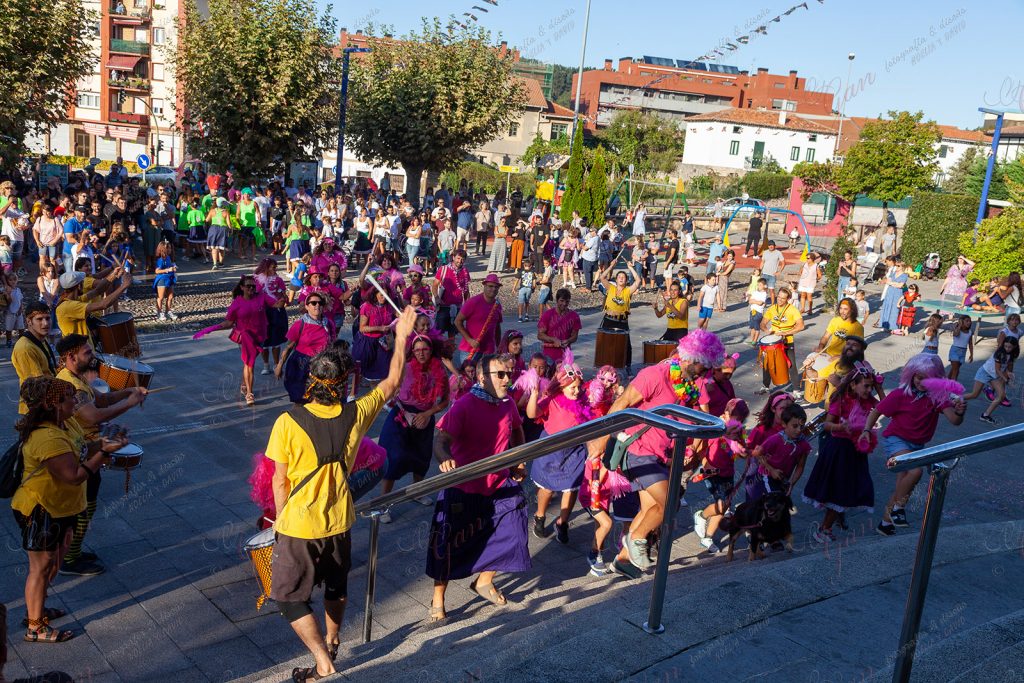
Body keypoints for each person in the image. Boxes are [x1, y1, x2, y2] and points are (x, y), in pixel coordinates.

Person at [266, 308, 415, 681]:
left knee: (288, 597)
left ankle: (323, 659)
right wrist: (402, 336)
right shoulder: (356, 413)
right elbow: (393, 380)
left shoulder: (287, 422)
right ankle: (333, 639)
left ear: (311, 381)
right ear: (344, 383)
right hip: (339, 522)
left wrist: (280, 524)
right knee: (336, 584)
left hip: (299, 526)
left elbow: (280, 482)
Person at [588, 330, 725, 578]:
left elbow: (693, 419)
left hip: (662, 455)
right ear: (691, 358)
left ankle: (623, 560)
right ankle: (637, 539)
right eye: (704, 367)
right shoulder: (655, 374)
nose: (705, 373)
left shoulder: (689, 387)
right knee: (670, 503)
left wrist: (695, 448)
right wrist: (600, 438)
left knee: (650, 510)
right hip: (638, 452)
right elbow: (622, 403)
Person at [12, 377, 128, 643]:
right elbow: (74, 476)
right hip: (41, 510)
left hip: (63, 508)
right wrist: (104, 454)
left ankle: (37, 610)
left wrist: (105, 442)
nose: (76, 401)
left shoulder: (66, 422)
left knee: (53, 564)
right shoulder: (47, 437)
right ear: (53, 403)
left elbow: (83, 448)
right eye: (69, 397)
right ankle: (35, 628)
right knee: (41, 568)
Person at [427, 354, 530, 620]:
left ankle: (484, 581)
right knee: (448, 545)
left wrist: (518, 460)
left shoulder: (508, 404)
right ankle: (438, 597)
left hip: (498, 483)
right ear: (482, 378)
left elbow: (518, 432)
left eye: (509, 374)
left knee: (515, 529)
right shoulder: (464, 405)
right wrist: (445, 458)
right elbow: (440, 440)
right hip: (464, 485)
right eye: (500, 375)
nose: (507, 379)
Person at [55, 334, 147, 575]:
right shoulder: (71, 385)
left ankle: (73, 551)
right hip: (82, 452)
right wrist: (130, 403)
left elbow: (104, 399)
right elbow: (93, 416)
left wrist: (129, 391)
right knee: (83, 508)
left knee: (87, 505)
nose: (93, 356)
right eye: (87, 353)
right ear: (71, 357)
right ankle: (69, 560)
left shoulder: (77, 378)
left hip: (89, 448)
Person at [866, 354, 965, 536]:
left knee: (903, 487)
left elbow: (954, 420)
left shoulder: (937, 397)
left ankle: (885, 523)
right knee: (915, 471)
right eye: (919, 377)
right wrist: (866, 430)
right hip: (896, 440)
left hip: (917, 445)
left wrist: (960, 412)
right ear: (911, 374)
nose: (922, 382)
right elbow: (876, 411)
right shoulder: (900, 394)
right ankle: (898, 509)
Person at [803, 364, 882, 543]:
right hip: (839, 449)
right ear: (853, 384)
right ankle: (824, 529)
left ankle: (830, 524)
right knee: (838, 491)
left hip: (855, 451)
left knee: (845, 490)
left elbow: (885, 408)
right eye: (866, 386)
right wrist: (841, 427)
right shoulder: (841, 400)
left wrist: (879, 388)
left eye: (871, 386)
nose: (869, 390)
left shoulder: (868, 399)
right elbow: (826, 424)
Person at [377, 333, 451, 522]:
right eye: (417, 350)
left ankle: (416, 492)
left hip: (424, 418)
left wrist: (427, 414)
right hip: (401, 415)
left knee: (421, 458)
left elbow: (445, 401)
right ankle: (383, 504)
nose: (421, 353)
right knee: (393, 458)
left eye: (425, 349)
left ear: (431, 350)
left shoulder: (439, 370)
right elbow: (392, 393)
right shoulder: (406, 368)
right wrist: (406, 413)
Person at [527, 354, 591, 544]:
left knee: (571, 488)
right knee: (547, 488)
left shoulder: (583, 399)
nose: (577, 391)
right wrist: (534, 395)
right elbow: (532, 414)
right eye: (572, 388)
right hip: (551, 449)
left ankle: (562, 522)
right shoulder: (552, 399)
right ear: (562, 387)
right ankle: (540, 515)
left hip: (573, 451)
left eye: (579, 387)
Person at [194, 275, 286, 405]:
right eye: (248, 286)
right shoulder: (237, 303)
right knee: (250, 363)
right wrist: (212, 328)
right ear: (242, 287)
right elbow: (229, 322)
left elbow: (276, 304)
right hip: (245, 337)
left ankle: (244, 383)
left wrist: (282, 299)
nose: (251, 288)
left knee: (248, 363)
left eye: (253, 286)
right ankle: (249, 393)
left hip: (260, 336)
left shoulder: (262, 297)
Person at [691, 398, 749, 553]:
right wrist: (706, 465)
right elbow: (701, 450)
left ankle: (707, 537)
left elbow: (742, 453)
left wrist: (741, 445)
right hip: (712, 472)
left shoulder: (739, 431)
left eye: (740, 420)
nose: (737, 423)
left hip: (728, 472)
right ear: (726, 413)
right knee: (722, 504)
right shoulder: (715, 428)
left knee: (724, 506)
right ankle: (702, 516)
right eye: (734, 418)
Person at [276, 293, 336, 402]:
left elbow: (332, 345)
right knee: (301, 398)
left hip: (321, 366)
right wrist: (280, 365)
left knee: (320, 398)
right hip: (301, 365)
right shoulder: (300, 324)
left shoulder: (329, 324)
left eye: (320, 303)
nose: (317, 305)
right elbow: (289, 347)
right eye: (313, 303)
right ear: (307, 306)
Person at [54, 270, 130, 342]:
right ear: (79, 286)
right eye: (82, 282)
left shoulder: (74, 300)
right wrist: (124, 286)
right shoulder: (68, 306)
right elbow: (103, 305)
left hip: (82, 346)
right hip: (78, 349)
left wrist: (113, 275)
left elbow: (97, 291)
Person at [11, 301, 59, 414]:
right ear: (29, 321)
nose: (45, 323)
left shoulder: (40, 339)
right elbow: (38, 385)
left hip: (49, 400)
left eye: (48, 318)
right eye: (39, 319)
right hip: (37, 408)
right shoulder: (25, 348)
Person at [759, 287, 804, 393]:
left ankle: (796, 390)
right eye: (778, 297)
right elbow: (762, 323)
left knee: (791, 364)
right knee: (767, 363)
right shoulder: (772, 309)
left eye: (783, 298)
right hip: (773, 342)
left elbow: (801, 326)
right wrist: (766, 330)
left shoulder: (793, 310)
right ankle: (765, 386)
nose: (779, 300)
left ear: (788, 299)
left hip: (787, 341)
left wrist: (785, 333)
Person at [963, 336, 1018, 424]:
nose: (1007, 348)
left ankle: (985, 415)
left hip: (993, 376)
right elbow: (998, 370)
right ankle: (955, 399)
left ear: (1014, 347)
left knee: (1001, 395)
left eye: (1009, 347)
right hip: (985, 372)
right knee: (974, 394)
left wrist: (1009, 373)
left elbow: (1008, 367)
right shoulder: (1000, 353)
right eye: (1005, 346)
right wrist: (1006, 381)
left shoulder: (1013, 355)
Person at [598, 261, 641, 367]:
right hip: (609, 320)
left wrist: (630, 268)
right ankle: (605, 366)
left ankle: (627, 366)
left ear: (626, 280)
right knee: (606, 344)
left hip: (622, 322)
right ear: (616, 280)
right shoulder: (611, 288)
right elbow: (602, 277)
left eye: (623, 277)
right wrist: (611, 266)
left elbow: (638, 280)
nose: (621, 278)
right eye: (619, 277)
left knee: (627, 346)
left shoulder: (628, 291)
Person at [454, 273, 503, 363]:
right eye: (490, 286)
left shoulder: (497, 305)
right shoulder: (473, 302)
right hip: (470, 349)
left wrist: (499, 346)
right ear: (484, 286)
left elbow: (497, 327)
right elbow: (457, 321)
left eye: (496, 287)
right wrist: (469, 340)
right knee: (468, 372)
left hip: (489, 351)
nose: (493, 289)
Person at [353, 286, 395, 381]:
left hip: (383, 342)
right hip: (368, 342)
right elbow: (362, 328)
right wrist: (380, 328)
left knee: (384, 371)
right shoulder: (367, 306)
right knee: (361, 370)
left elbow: (398, 315)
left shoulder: (389, 305)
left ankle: (379, 389)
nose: (384, 298)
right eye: (381, 295)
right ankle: (354, 389)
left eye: (386, 295)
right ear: (375, 294)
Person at [432, 250, 470, 338]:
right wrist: (437, 298)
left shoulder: (465, 271)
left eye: (462, 259)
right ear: (453, 257)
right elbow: (435, 285)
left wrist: (467, 305)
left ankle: (450, 346)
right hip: (443, 307)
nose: (460, 261)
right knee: (438, 333)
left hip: (457, 307)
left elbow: (466, 289)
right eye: (458, 258)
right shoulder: (444, 269)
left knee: (452, 333)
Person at [879, 259, 908, 332]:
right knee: (887, 307)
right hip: (890, 292)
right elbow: (887, 281)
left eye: (898, 266)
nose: (896, 267)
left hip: (897, 293)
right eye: (896, 265)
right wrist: (894, 283)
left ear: (902, 267)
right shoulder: (893, 273)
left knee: (894, 309)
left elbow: (900, 285)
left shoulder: (904, 275)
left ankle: (893, 327)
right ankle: (885, 325)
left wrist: (892, 283)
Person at [152, 241, 178, 322]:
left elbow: (170, 265)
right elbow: (157, 271)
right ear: (163, 249)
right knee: (161, 297)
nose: (170, 249)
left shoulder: (168, 257)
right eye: (168, 248)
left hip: (169, 278)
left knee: (170, 296)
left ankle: (168, 311)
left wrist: (173, 266)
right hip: (162, 279)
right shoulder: (160, 260)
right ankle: (159, 312)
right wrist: (168, 270)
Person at [745, 277, 768, 345]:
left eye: (760, 285)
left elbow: (760, 303)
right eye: (758, 285)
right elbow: (750, 301)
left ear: (764, 286)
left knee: (757, 328)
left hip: (758, 313)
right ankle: (752, 340)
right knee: (752, 327)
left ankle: (755, 341)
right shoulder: (755, 292)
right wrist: (756, 301)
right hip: (752, 311)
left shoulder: (764, 294)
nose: (758, 286)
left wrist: (754, 301)